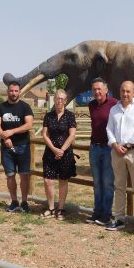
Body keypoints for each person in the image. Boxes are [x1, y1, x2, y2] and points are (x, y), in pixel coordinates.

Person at [105, 81, 134, 233]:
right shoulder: (114, 109)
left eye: (128, 91)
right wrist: (115, 144)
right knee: (119, 187)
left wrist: (128, 145)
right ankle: (119, 219)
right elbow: (109, 128)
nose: (125, 94)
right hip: (117, 151)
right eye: (123, 91)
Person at [0, 81, 34, 213]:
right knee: (10, 176)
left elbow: (29, 125)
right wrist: (5, 137)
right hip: (7, 149)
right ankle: (14, 201)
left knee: (24, 176)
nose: (14, 93)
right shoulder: (0, 108)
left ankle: (25, 202)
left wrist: (11, 132)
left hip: (23, 146)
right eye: (11, 91)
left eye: (16, 91)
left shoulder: (25, 107)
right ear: (7, 92)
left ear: (19, 92)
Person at [40, 89, 77, 220]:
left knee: (63, 180)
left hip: (65, 154)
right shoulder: (48, 116)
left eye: (62, 99)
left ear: (65, 101)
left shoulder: (70, 116)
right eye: (57, 98)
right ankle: (50, 208)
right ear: (54, 99)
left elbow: (72, 134)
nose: (59, 101)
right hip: (50, 153)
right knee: (48, 180)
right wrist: (54, 149)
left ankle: (60, 209)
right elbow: (44, 134)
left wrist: (61, 150)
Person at [87, 78, 118, 225]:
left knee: (107, 182)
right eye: (94, 89)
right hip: (94, 147)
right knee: (97, 182)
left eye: (99, 89)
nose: (97, 92)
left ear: (106, 90)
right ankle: (97, 211)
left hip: (108, 148)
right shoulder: (91, 105)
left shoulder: (114, 104)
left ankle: (106, 213)